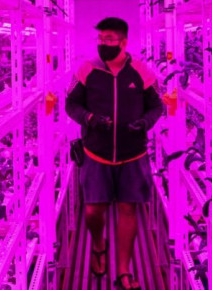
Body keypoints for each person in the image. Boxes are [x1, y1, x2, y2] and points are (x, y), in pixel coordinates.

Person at [66, 17, 164, 290]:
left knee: (128, 209)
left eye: (109, 39)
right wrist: (89, 118)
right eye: (100, 39)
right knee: (93, 210)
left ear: (123, 42)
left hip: (133, 155)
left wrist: (144, 123)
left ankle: (123, 270)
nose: (103, 44)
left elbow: (156, 107)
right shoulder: (87, 70)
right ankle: (99, 244)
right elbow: (71, 104)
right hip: (96, 154)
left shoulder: (142, 72)